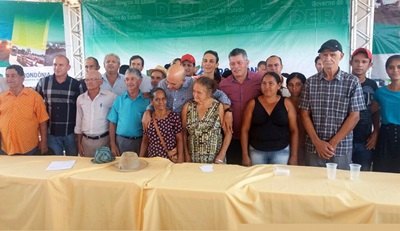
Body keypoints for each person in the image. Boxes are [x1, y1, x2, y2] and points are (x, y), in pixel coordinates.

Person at [299, 39, 366, 170]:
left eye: (333, 54)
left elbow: (355, 116)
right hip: (314, 147)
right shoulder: (310, 82)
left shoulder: (352, 82)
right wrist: (317, 142)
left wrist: (332, 143)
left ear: (341, 56)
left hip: (340, 148)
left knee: (340, 186)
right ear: (320, 57)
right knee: (313, 185)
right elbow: (304, 114)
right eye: (324, 55)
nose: (328, 58)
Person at [241, 72, 298, 166]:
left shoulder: (287, 103)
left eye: (271, 83)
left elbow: (294, 130)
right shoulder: (252, 104)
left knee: (279, 180)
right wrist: (244, 155)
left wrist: (294, 156)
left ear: (278, 85)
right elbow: (244, 130)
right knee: (258, 180)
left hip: (281, 151)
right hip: (257, 152)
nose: (267, 86)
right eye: (264, 83)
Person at [219, 48, 262, 165]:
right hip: (232, 136)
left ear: (247, 63)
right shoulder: (223, 85)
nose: (236, 66)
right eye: (232, 63)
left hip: (256, 136)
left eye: (239, 63)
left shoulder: (259, 80)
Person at [36, 55, 84, 155]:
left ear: (68, 67)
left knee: (73, 162)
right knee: (55, 163)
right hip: (51, 133)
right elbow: (36, 106)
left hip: (71, 132)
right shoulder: (43, 82)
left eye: (61, 65)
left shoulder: (76, 85)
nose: (57, 68)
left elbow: (82, 109)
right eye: (55, 64)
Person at [0, 65, 49, 155]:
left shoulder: (35, 97)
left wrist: (44, 143)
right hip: (5, 149)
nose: (9, 79)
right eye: (7, 76)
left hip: (29, 149)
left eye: (13, 76)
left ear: (22, 78)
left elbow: (43, 122)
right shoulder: (2, 97)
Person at [182, 77, 232, 163]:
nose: (195, 95)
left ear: (209, 93)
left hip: (215, 159)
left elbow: (228, 133)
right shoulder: (188, 107)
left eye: (199, 92)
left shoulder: (218, 107)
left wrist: (221, 156)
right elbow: (183, 133)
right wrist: (186, 155)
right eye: (194, 91)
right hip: (193, 159)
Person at [108, 68, 150, 156]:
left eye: (132, 79)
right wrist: (112, 144)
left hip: (140, 142)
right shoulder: (119, 100)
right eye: (127, 79)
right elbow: (112, 123)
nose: (129, 82)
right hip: (121, 142)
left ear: (140, 81)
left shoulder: (147, 101)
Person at [75, 70, 116, 157]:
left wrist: (112, 143)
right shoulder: (80, 99)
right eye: (87, 79)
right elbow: (79, 122)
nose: (89, 82)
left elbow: (114, 121)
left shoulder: (111, 97)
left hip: (104, 140)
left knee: (104, 168)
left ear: (100, 81)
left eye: (93, 79)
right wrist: (79, 143)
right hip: (86, 142)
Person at [350, 48, 379, 171]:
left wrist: (375, 133)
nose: (359, 65)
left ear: (370, 65)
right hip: (344, 139)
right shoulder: (344, 82)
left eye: (364, 61)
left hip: (365, 140)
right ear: (351, 63)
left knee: (363, 175)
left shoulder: (372, 85)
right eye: (356, 61)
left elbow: (376, 111)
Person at [139, 88, 183, 162]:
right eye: (157, 99)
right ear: (152, 102)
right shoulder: (148, 119)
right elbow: (145, 141)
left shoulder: (173, 117)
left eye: (163, 99)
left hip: (170, 160)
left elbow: (180, 139)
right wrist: (140, 159)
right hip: (153, 160)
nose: (161, 102)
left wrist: (180, 158)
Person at [372, 55, 400, 173]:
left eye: (399, 67)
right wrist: (375, 133)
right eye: (391, 67)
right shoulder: (380, 93)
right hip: (385, 135)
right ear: (386, 70)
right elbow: (375, 113)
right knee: (382, 170)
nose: (395, 70)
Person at [287, 72, 307, 165]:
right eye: (291, 85)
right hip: (287, 145)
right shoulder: (283, 103)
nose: (294, 88)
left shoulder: (309, 103)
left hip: (307, 145)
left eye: (298, 85)